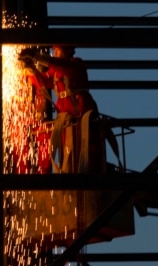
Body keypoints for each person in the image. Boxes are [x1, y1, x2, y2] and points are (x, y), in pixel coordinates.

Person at [21, 45, 107, 173]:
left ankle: (91, 171)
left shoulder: (76, 64)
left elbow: (62, 67)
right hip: (66, 115)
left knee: (87, 145)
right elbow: (44, 81)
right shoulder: (55, 70)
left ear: (67, 51)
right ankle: (70, 171)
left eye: (57, 50)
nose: (54, 53)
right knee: (68, 148)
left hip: (81, 110)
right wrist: (29, 69)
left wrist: (36, 57)